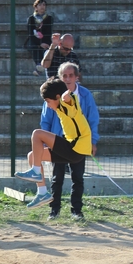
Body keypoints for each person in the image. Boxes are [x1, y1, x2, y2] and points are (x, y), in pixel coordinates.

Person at [14, 77, 94, 210]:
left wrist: (65, 94)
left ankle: (35, 172)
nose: (48, 105)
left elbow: (66, 97)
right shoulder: (59, 109)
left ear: (57, 97)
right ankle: (42, 193)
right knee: (33, 156)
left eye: (48, 101)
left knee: (37, 134)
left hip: (76, 148)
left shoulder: (67, 103)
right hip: (72, 150)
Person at [41, 62, 100, 220]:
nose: (67, 78)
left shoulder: (85, 95)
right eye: (64, 76)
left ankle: (77, 211)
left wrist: (92, 141)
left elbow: (92, 119)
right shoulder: (53, 94)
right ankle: (54, 210)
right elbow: (45, 120)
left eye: (70, 75)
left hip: (78, 144)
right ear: (60, 77)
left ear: (77, 77)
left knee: (77, 178)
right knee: (57, 178)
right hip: (58, 142)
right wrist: (47, 140)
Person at [26, 0, 54, 76]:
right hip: (34, 40)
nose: (42, 7)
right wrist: (40, 43)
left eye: (44, 5)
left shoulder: (49, 18)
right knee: (34, 46)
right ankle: (40, 65)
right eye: (40, 5)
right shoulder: (31, 19)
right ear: (36, 7)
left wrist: (43, 42)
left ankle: (39, 68)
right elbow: (30, 33)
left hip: (46, 40)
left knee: (47, 48)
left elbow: (48, 32)